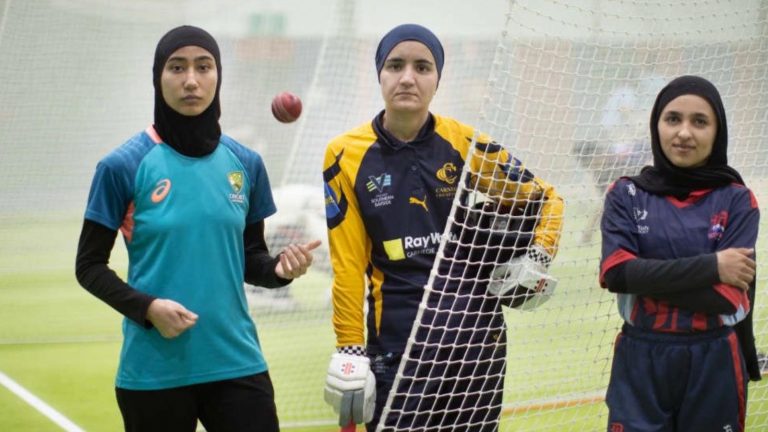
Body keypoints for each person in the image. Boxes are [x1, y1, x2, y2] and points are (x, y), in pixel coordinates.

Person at [74, 25, 320, 432]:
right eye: (177, 68)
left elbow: (250, 259)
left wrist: (279, 270)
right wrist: (148, 308)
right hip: (154, 369)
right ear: (158, 77)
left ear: (217, 75)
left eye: (203, 67)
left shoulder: (246, 164)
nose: (191, 80)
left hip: (236, 362)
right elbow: (89, 266)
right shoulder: (122, 166)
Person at [321, 24, 564, 431]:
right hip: (399, 344)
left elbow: (548, 199)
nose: (408, 78)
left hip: (476, 343)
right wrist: (349, 345)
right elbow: (347, 264)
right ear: (379, 73)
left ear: (438, 79)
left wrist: (539, 252)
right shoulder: (343, 154)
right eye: (395, 65)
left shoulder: (465, 141)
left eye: (423, 67)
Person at [600, 75, 760, 432]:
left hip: (713, 360)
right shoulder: (625, 194)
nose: (684, 132)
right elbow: (616, 274)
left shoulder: (737, 199)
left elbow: (727, 298)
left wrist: (642, 274)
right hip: (640, 360)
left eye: (699, 122)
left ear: (718, 131)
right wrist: (713, 265)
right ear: (656, 124)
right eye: (673, 119)